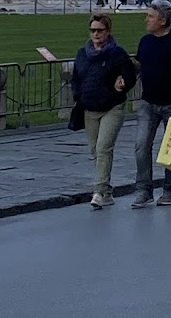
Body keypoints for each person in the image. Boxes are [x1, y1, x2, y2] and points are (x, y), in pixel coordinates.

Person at [131, 0, 171, 209]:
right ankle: (144, 190)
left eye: (150, 16)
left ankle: (169, 190)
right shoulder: (145, 41)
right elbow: (140, 67)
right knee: (141, 146)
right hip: (148, 102)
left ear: (163, 20)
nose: (146, 20)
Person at [71, 13, 136, 209]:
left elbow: (130, 75)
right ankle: (107, 192)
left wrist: (122, 83)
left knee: (103, 147)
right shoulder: (83, 53)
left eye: (100, 30)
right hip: (89, 107)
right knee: (95, 151)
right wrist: (78, 95)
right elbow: (76, 77)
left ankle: (98, 191)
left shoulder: (117, 53)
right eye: (93, 30)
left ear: (108, 32)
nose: (96, 34)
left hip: (112, 107)